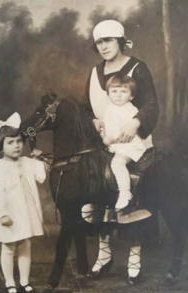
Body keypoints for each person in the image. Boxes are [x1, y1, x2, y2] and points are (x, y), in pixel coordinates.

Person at [83, 19, 159, 283]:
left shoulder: (138, 67)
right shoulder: (96, 72)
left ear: (120, 41)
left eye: (108, 41)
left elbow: (151, 105)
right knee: (99, 192)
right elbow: (86, 107)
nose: (103, 47)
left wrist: (135, 122)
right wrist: (94, 121)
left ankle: (134, 259)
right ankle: (104, 255)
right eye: (99, 42)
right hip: (106, 142)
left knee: (132, 193)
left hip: (132, 144)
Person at [0, 113, 46, 293]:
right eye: (10, 143)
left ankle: (25, 281)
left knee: (25, 245)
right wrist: (1, 215)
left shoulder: (27, 162)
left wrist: (39, 159)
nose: (16, 146)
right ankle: (10, 282)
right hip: (10, 214)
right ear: (1, 146)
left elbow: (41, 176)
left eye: (19, 141)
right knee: (9, 246)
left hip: (26, 213)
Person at [101, 74, 153, 211]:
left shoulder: (130, 110)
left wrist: (109, 139)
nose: (118, 95)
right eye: (114, 91)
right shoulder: (110, 108)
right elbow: (109, 125)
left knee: (117, 163)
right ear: (108, 94)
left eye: (123, 91)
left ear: (131, 96)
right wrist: (103, 131)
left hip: (129, 145)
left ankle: (125, 192)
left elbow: (123, 131)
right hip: (116, 144)